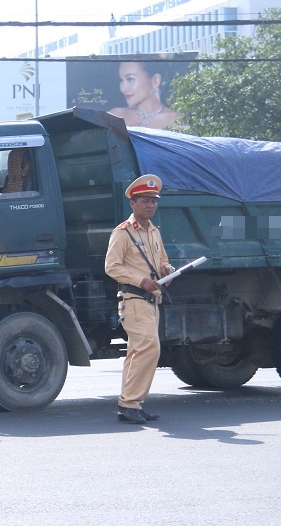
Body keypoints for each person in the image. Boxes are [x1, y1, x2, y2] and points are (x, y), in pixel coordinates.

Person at [104, 174, 175, 424]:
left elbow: (163, 261)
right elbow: (111, 267)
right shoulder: (123, 233)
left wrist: (167, 270)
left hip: (152, 301)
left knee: (137, 352)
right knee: (149, 348)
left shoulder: (154, 231)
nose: (151, 205)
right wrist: (140, 280)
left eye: (154, 201)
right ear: (132, 203)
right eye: (145, 201)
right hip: (133, 299)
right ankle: (130, 403)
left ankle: (131, 404)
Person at [109, 61, 181, 130]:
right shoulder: (114, 117)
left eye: (130, 79)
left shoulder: (178, 121)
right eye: (121, 80)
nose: (123, 88)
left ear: (155, 80)